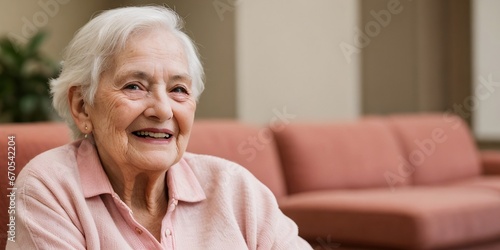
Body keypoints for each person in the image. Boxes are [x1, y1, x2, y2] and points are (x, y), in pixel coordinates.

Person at [7, 5, 312, 250]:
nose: (163, 110)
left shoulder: (236, 188)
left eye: (178, 89)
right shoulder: (48, 187)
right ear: (82, 106)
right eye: (134, 86)